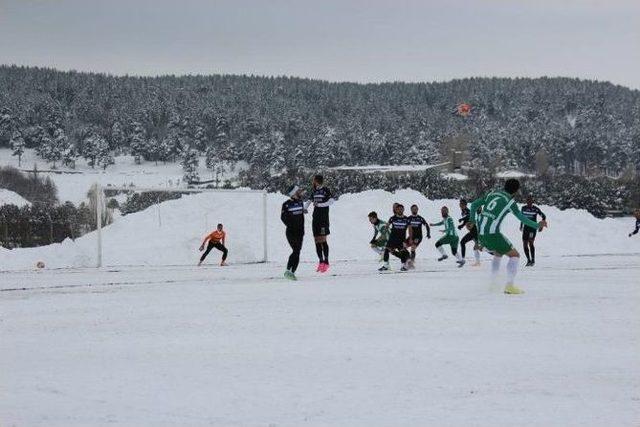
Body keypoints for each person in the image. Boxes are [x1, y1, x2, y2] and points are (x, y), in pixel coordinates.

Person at [469, 179, 547, 295]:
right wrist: (536, 225)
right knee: (515, 255)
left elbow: (474, 204)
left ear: (504, 186)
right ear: (516, 191)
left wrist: (471, 220)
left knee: (498, 253)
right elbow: (522, 218)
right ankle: (509, 286)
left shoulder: (492, 193)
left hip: (480, 233)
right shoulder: (510, 202)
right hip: (492, 234)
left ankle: (493, 284)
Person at [306, 174, 334, 273]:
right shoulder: (314, 190)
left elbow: (331, 201)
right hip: (316, 218)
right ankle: (321, 261)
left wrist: (320, 205)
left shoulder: (325, 190)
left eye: (313, 180)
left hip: (323, 218)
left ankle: (326, 262)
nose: (312, 182)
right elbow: (309, 200)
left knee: (323, 240)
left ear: (317, 181)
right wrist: (304, 208)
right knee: (316, 240)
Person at [281, 185, 306, 281]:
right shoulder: (286, 204)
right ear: (294, 193)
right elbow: (283, 218)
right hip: (291, 232)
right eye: (298, 191)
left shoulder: (300, 202)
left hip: (300, 232)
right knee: (296, 250)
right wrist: (292, 225)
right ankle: (288, 270)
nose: (300, 192)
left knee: (297, 251)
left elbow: (300, 215)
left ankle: (292, 272)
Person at [379, 203, 413, 272]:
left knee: (402, 252)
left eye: (401, 209)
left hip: (401, 239)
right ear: (396, 210)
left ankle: (403, 266)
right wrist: (383, 235)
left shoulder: (406, 219)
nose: (400, 210)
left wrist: (410, 238)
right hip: (392, 239)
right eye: (399, 209)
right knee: (386, 250)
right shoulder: (392, 218)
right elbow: (387, 227)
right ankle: (386, 266)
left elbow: (410, 229)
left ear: (403, 210)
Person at [520, 195, 547, 266]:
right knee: (524, 243)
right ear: (526, 201)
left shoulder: (535, 209)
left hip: (532, 228)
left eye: (530, 201)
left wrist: (541, 226)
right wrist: (521, 226)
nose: (529, 202)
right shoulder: (523, 208)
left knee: (530, 243)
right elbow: (521, 217)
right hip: (526, 228)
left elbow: (544, 216)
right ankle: (528, 260)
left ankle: (533, 260)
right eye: (528, 201)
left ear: (532, 201)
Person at [458, 199, 481, 266]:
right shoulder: (463, 211)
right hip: (472, 231)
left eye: (462, 204)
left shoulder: (467, 211)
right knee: (478, 247)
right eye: (460, 204)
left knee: (479, 247)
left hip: (475, 231)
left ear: (465, 205)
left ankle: (464, 260)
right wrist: (461, 226)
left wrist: (462, 219)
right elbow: (467, 221)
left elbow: (470, 216)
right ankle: (465, 259)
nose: (460, 205)